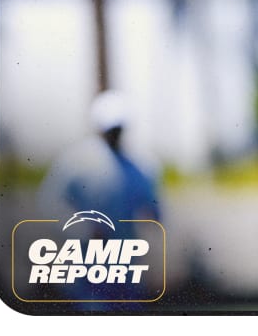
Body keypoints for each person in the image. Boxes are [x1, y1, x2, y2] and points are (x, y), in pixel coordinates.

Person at [36, 89, 163, 308]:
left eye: (118, 128)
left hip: (127, 268)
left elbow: (155, 211)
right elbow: (50, 204)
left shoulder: (141, 165)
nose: (115, 134)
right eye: (110, 129)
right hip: (87, 269)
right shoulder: (75, 161)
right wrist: (83, 230)